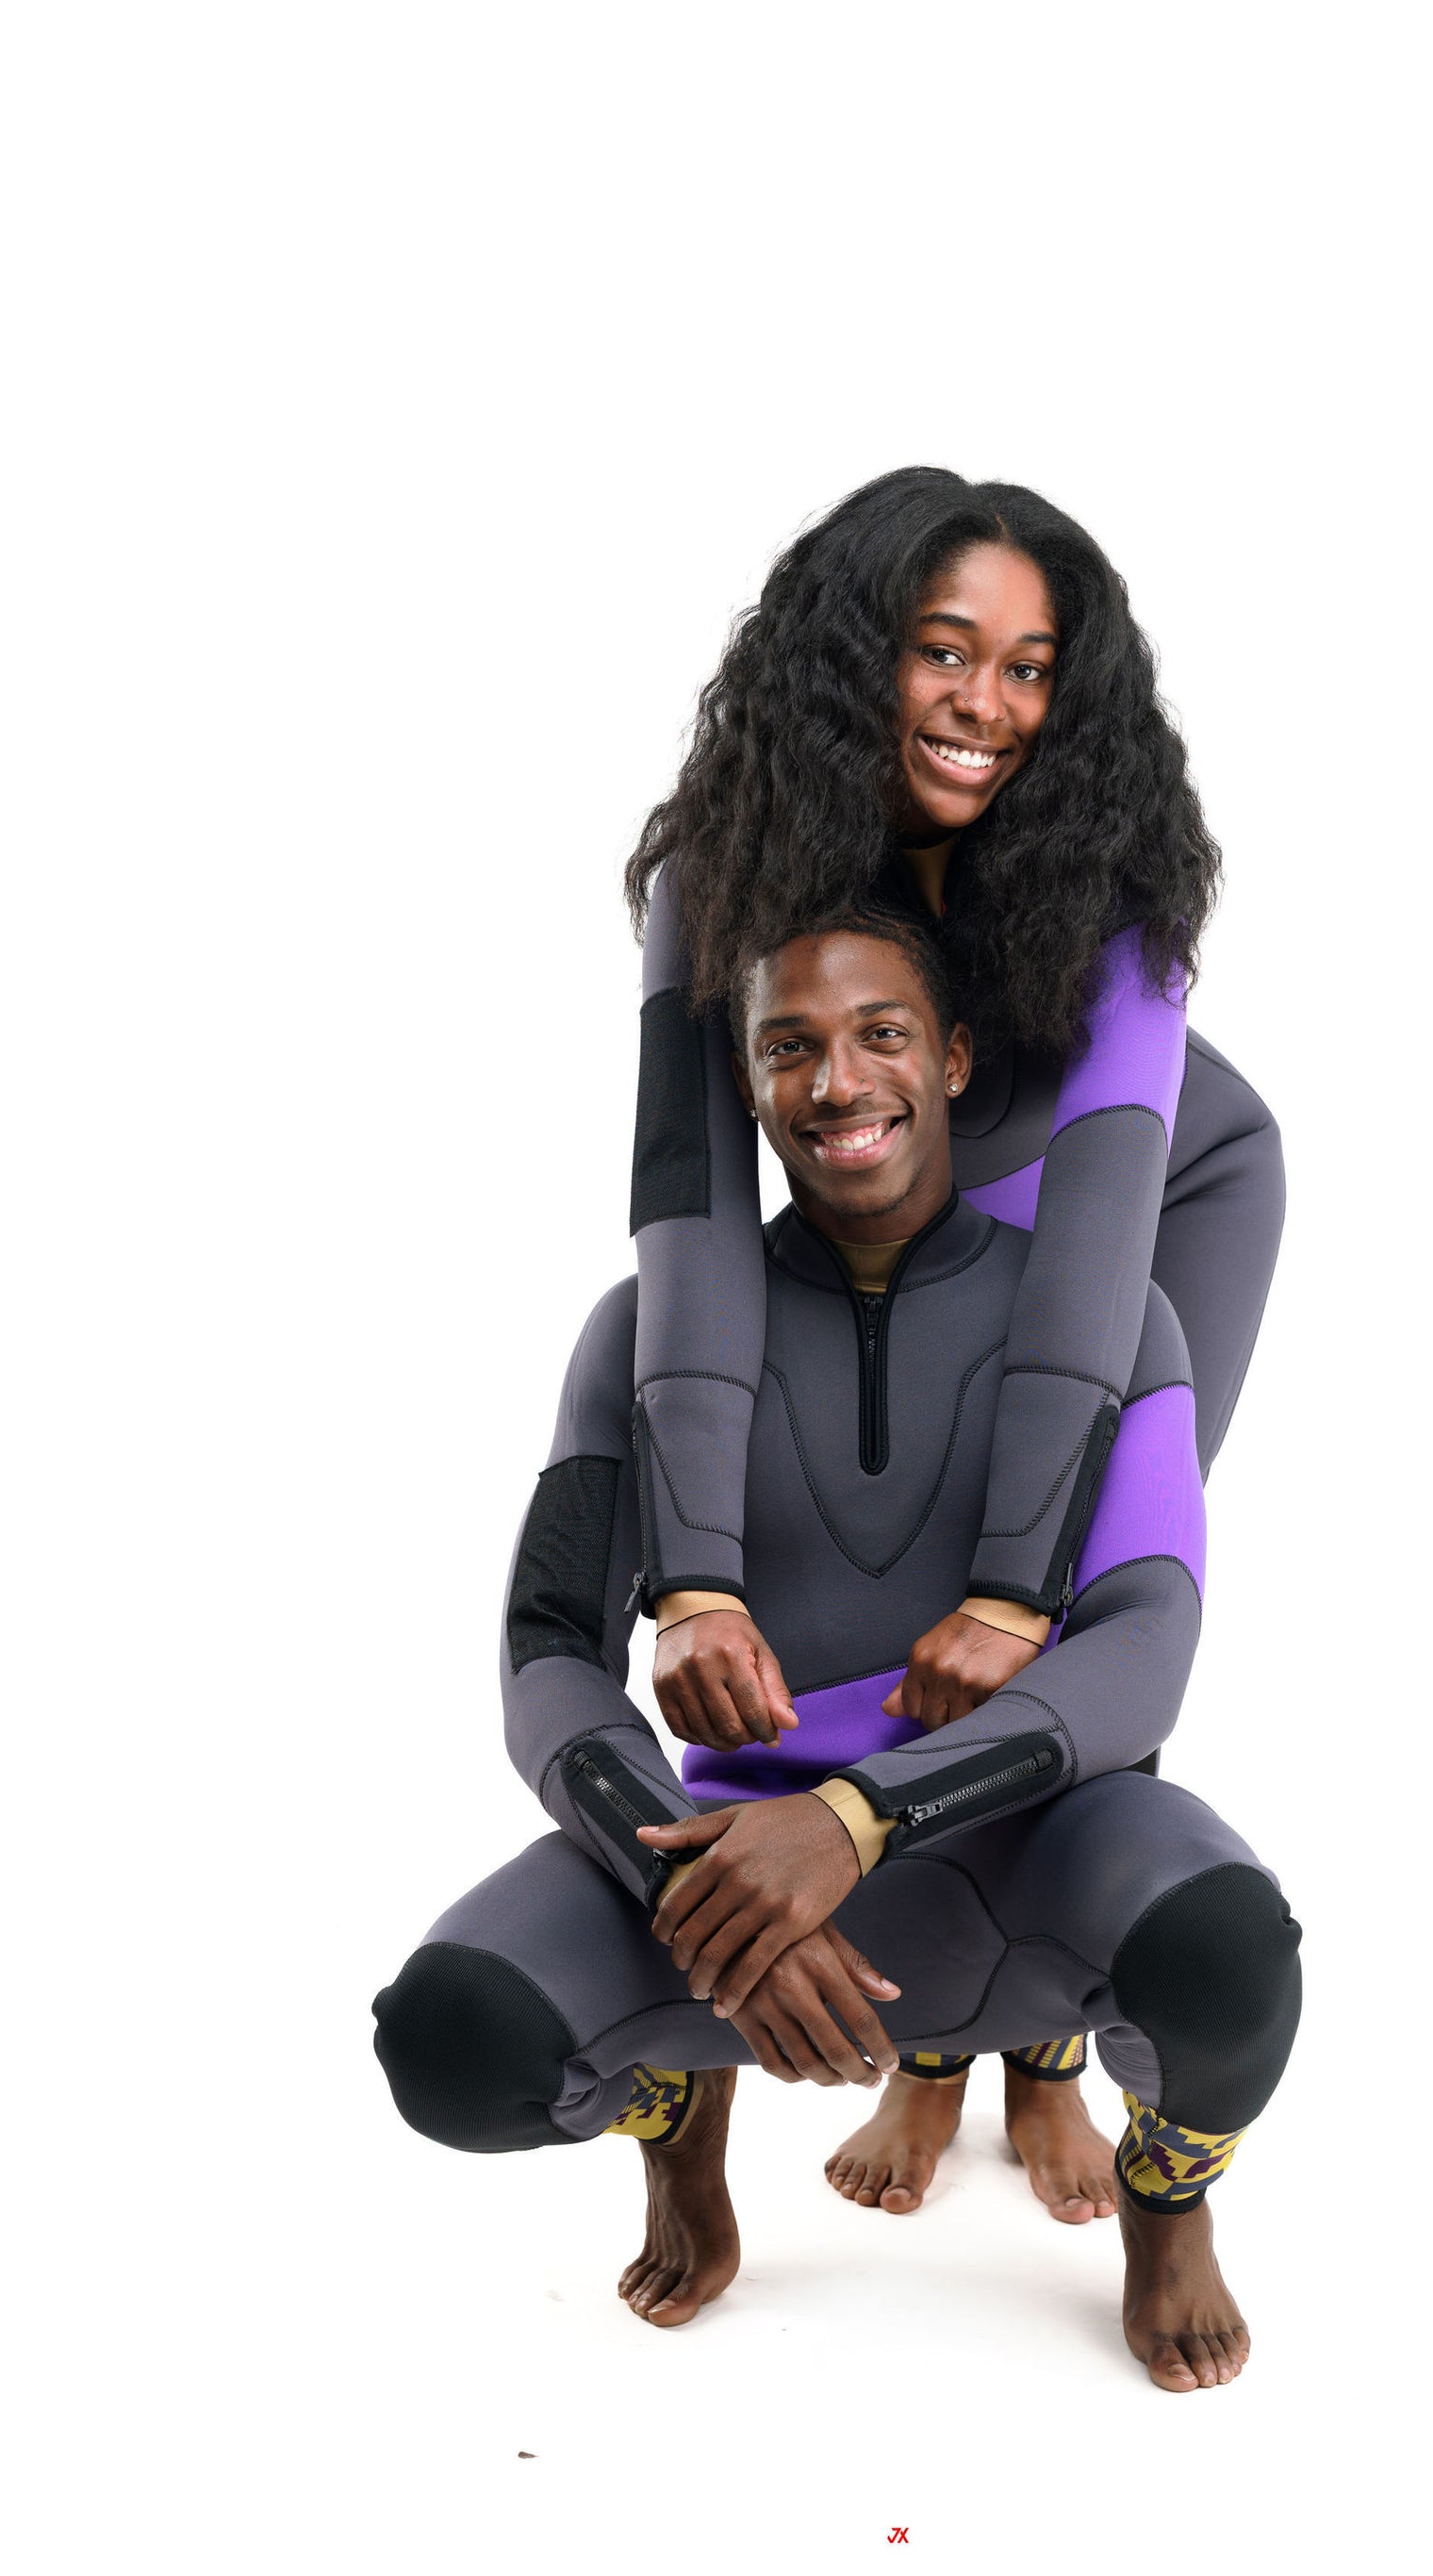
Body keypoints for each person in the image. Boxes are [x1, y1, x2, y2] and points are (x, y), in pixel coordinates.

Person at [372, 917, 1303, 2392]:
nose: (835, 1078)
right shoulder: (639, 1334)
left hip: (1029, 1855)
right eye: (786, 1045)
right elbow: (546, 1646)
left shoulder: (1119, 1315)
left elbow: (1146, 1642)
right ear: (743, 1088)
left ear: (951, 1058)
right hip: (734, 1880)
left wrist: (857, 1817)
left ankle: (1169, 2195)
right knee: (450, 2039)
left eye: (879, 1031)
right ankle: (676, 2117)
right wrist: (690, 1877)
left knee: (1231, 1958)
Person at [623, 468, 1286, 2218]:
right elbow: (690, 1208)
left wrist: (1013, 1575)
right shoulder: (724, 865)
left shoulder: (1111, 876)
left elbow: (1096, 1222)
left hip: (1155, 1202)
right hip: (915, 1202)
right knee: (870, 1581)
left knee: (1069, 1594)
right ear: (859, 657)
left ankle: (1049, 2044)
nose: (985, 706)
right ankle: (933, 2043)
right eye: (943, 650)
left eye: (1027, 667)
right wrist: (690, 1576)